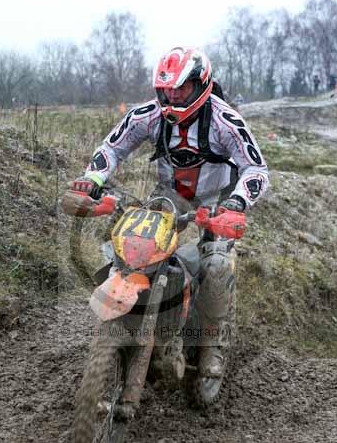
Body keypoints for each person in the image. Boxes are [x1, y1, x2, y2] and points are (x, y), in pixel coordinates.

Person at [63, 46, 269, 379]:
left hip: (216, 201)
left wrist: (237, 203)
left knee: (215, 264)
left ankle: (213, 343)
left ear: (200, 84)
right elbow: (112, 147)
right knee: (132, 247)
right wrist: (93, 179)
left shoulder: (225, 120)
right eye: (166, 90)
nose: (172, 97)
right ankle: (132, 316)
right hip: (169, 196)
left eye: (181, 88)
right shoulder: (147, 115)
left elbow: (256, 169)